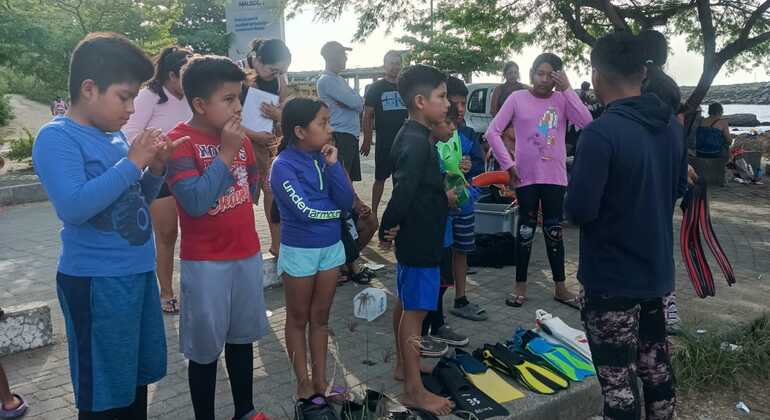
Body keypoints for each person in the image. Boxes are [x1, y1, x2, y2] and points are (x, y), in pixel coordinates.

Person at [32, 32, 181, 419]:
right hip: (96, 282)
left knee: (134, 383)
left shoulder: (113, 136)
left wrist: (155, 170)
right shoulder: (57, 137)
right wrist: (133, 162)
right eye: (124, 96)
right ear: (89, 88)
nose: (132, 109)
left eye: (134, 97)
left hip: (136, 274)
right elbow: (74, 207)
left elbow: (132, 205)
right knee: (103, 396)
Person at [565, 31, 684, 420]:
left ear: (596, 75)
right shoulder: (670, 126)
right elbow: (679, 186)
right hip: (656, 273)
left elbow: (580, 210)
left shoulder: (600, 134)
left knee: (618, 382)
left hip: (611, 279)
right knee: (655, 367)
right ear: (644, 72)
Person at [166, 55, 270, 420]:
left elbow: (253, 185)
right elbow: (194, 202)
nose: (238, 107)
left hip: (245, 252)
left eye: (239, 97)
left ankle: (246, 410)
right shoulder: (179, 142)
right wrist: (225, 153)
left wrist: (236, 152)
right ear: (199, 103)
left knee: (242, 340)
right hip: (205, 262)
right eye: (228, 99)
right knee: (205, 350)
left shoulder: (237, 139)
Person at [485, 53, 592, 308]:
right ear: (531, 73)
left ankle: (561, 288)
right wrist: (508, 164)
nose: (543, 80)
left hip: (554, 177)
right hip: (526, 177)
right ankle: (519, 286)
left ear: (557, 77)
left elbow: (588, 123)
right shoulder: (517, 98)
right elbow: (493, 132)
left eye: (550, 75)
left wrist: (567, 89)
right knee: (525, 229)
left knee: (553, 230)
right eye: (539, 73)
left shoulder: (561, 99)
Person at [269, 98, 355, 406]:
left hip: (330, 249)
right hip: (300, 252)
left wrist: (333, 166)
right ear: (300, 131)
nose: (329, 129)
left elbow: (346, 201)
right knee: (297, 318)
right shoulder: (282, 166)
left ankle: (321, 380)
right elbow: (304, 210)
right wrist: (337, 213)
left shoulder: (324, 158)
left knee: (320, 318)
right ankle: (303, 383)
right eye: (323, 123)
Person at [379, 64, 453, 416]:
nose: (447, 104)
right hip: (419, 240)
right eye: (441, 97)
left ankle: (403, 367)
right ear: (421, 101)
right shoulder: (415, 141)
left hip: (421, 236)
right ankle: (413, 389)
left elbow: (418, 189)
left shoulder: (417, 135)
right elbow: (403, 193)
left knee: (406, 304)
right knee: (415, 313)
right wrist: (387, 226)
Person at [122, 46, 193, 314]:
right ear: (171, 75)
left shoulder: (191, 96)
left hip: (188, 171)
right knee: (166, 234)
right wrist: (158, 151)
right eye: (183, 77)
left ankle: (193, 287)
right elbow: (129, 135)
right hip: (157, 173)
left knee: (194, 229)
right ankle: (165, 291)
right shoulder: (149, 96)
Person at [420, 109, 470, 356]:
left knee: (441, 282)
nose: (452, 129)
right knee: (428, 286)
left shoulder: (436, 151)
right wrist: (445, 196)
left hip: (444, 229)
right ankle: (421, 334)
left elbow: (443, 182)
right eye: (448, 122)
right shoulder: (420, 150)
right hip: (430, 232)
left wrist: (455, 183)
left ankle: (437, 325)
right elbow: (416, 194)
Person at [241, 38, 292, 257]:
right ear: (258, 61)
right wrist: (253, 135)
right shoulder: (237, 72)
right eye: (274, 70)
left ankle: (277, 245)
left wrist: (279, 116)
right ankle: (245, 249)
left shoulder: (280, 79)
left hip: (270, 143)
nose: (278, 75)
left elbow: (284, 107)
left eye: (282, 71)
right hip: (243, 144)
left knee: (274, 194)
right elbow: (224, 117)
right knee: (242, 197)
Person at [443, 76, 487, 322]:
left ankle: (461, 298)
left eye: (463, 103)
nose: (460, 109)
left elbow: (480, 170)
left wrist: (470, 172)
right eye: (454, 103)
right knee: (440, 255)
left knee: (461, 251)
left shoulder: (468, 134)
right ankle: (432, 310)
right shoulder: (432, 135)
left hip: (464, 208)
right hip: (440, 209)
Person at [362, 50, 408, 215]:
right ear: (384, 65)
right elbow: (367, 115)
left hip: (405, 141)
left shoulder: (406, 86)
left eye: (397, 63)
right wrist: (367, 140)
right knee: (380, 179)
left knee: (401, 181)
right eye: (391, 63)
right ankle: (374, 213)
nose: (394, 67)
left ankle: (399, 214)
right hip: (384, 141)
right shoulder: (376, 88)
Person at [317, 41, 365, 182]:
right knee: (341, 179)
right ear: (333, 57)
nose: (345, 58)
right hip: (340, 135)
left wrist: (354, 101)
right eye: (343, 55)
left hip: (349, 135)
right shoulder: (327, 80)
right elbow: (356, 102)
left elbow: (359, 103)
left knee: (347, 178)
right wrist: (354, 101)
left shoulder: (339, 80)